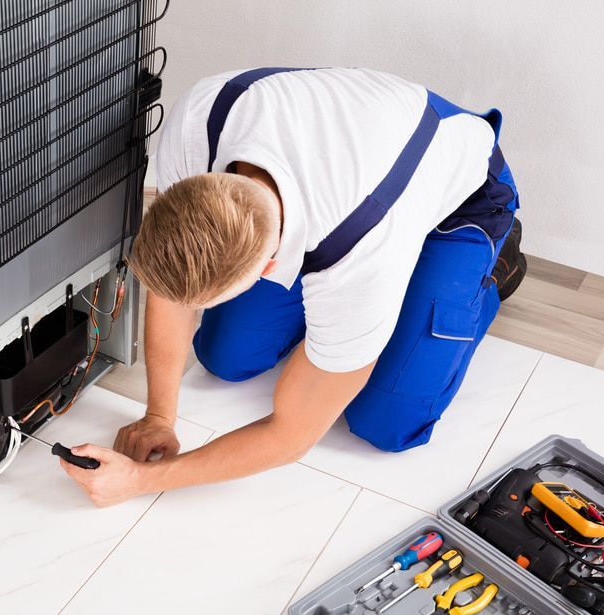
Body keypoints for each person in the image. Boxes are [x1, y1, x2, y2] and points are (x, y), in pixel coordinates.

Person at [61, 67, 525, 507]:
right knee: (226, 357)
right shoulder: (195, 130)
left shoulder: (362, 249)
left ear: (267, 267)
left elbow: (292, 436)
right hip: (352, 163)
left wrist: (142, 481)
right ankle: (360, 311)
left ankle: (489, 271)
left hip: (461, 199)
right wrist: (158, 416)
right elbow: (173, 284)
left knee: (385, 424)